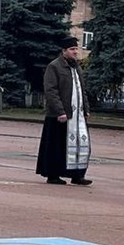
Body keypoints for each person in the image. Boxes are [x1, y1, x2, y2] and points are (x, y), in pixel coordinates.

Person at [36, 36, 92, 186]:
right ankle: (53, 175)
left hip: (77, 115)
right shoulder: (54, 66)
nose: (75, 52)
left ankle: (77, 174)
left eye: (76, 49)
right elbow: (51, 91)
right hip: (60, 115)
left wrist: (86, 108)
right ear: (64, 51)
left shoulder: (76, 67)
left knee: (81, 145)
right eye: (72, 49)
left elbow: (81, 90)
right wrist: (60, 111)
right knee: (57, 146)